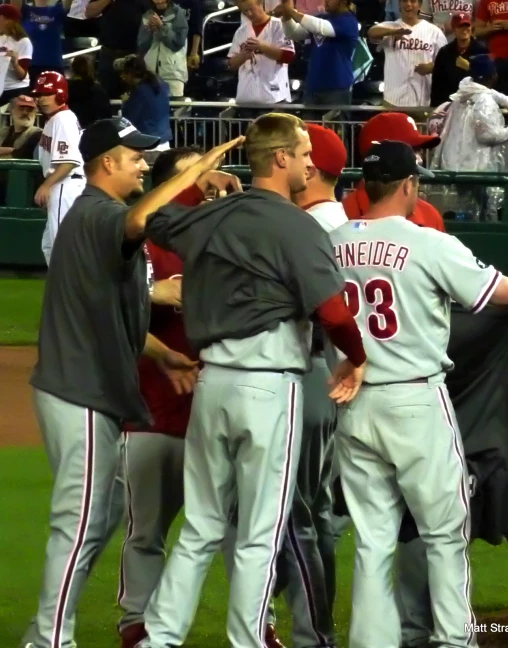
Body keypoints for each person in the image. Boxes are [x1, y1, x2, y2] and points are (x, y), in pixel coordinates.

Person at [139, 112, 367, 648]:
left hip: (213, 382)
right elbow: (333, 312)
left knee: (199, 528)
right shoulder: (297, 226)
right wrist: (356, 358)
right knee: (259, 535)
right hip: (269, 388)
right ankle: (248, 641)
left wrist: (199, 182)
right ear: (280, 158)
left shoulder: (213, 217)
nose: (311, 164)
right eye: (305, 154)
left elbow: (152, 218)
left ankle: (159, 640)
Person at [19, 118, 244, 648]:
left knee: (99, 519)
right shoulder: (100, 212)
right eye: (135, 155)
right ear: (107, 162)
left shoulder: (89, 215)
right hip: (81, 390)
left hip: (79, 388)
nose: (144, 163)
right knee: (78, 523)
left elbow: (111, 307)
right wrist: (199, 172)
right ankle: (50, 641)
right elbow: (141, 219)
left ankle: (46, 633)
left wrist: (163, 353)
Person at [328, 139, 508, 648]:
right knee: (444, 533)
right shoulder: (427, 242)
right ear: (408, 186)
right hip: (415, 402)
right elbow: (498, 293)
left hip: (352, 405)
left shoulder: (331, 242)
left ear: (363, 187)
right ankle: (454, 641)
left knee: (373, 540)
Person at [116, 145, 202, 648]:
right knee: (145, 532)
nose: (205, 185)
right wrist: (149, 293)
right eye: (194, 177)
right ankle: (136, 624)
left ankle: (260, 625)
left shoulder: (223, 234)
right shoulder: (141, 241)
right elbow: (100, 300)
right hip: (150, 410)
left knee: (238, 532)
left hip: (215, 413)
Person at [273, 123, 348, 648]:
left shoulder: (311, 229)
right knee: (317, 513)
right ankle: (318, 626)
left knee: (300, 516)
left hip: (311, 373)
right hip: (335, 381)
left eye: (296, 155)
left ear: (311, 169)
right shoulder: (340, 223)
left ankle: (311, 631)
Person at [431, 54, 508, 220]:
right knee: (481, 214)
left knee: (462, 210)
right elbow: (487, 135)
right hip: (475, 168)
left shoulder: (463, 93)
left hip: (456, 163)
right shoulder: (484, 101)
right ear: (492, 76)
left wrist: (507, 102)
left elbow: (487, 92)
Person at [342, 111, 445, 231]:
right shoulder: (342, 215)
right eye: (412, 151)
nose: (420, 159)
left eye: (419, 151)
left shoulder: (429, 215)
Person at [32, 71, 87, 266]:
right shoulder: (54, 120)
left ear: (61, 94)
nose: (42, 99)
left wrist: (46, 187)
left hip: (66, 184)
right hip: (62, 185)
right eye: (39, 95)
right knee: (50, 246)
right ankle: (62, 291)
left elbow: (69, 162)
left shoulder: (63, 119)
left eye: (47, 94)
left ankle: (70, 294)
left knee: (60, 247)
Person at [275, 0, 358, 106]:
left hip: (337, 87)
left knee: (334, 123)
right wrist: (286, 18)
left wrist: (291, 11)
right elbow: (294, 33)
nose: (326, 1)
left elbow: (320, 27)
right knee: (309, 122)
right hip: (313, 85)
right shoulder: (322, 17)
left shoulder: (348, 21)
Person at [368, 0, 447, 111]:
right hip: (393, 100)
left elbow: (445, 63)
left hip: (422, 100)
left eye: (413, 1)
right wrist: (392, 32)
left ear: (420, 5)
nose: (408, 4)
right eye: (404, 1)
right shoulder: (390, 27)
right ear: (399, 4)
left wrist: (433, 67)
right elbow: (371, 32)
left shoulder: (434, 32)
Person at [228, 0, 295, 105]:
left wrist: (262, 46)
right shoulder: (241, 31)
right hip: (246, 97)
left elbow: (288, 56)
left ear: (260, 4)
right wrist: (243, 56)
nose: (249, 14)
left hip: (274, 95)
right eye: (245, 11)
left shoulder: (278, 25)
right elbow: (231, 65)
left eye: (251, 9)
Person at [115, 54, 173, 150]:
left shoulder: (138, 92)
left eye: (124, 73)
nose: (122, 77)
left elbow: (129, 119)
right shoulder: (162, 86)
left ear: (130, 73)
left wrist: (125, 102)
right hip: (164, 142)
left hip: (148, 144)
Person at [430, 13, 488, 107]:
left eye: (467, 25)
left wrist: (470, 68)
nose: (464, 29)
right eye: (460, 26)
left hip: (475, 104)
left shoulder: (482, 50)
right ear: (454, 29)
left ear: (471, 27)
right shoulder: (445, 52)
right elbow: (437, 84)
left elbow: (488, 80)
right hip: (450, 104)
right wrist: (436, 107)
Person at [11, 0, 71, 87]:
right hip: (30, 64)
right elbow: (14, 7)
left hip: (54, 64)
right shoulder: (25, 11)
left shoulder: (58, 10)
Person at [137, 0, 188, 98]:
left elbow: (178, 42)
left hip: (172, 74)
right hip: (150, 74)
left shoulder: (178, 12)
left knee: (172, 110)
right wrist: (150, 31)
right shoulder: (147, 15)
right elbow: (141, 44)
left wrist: (161, 27)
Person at [0, 3, 33, 105]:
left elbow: (21, 76)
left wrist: (15, 63)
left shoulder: (23, 42)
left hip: (15, 89)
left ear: (7, 20)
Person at [67, 54, 113, 129]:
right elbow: (106, 118)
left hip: (69, 132)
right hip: (94, 135)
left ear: (72, 69)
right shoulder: (99, 91)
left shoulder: (65, 90)